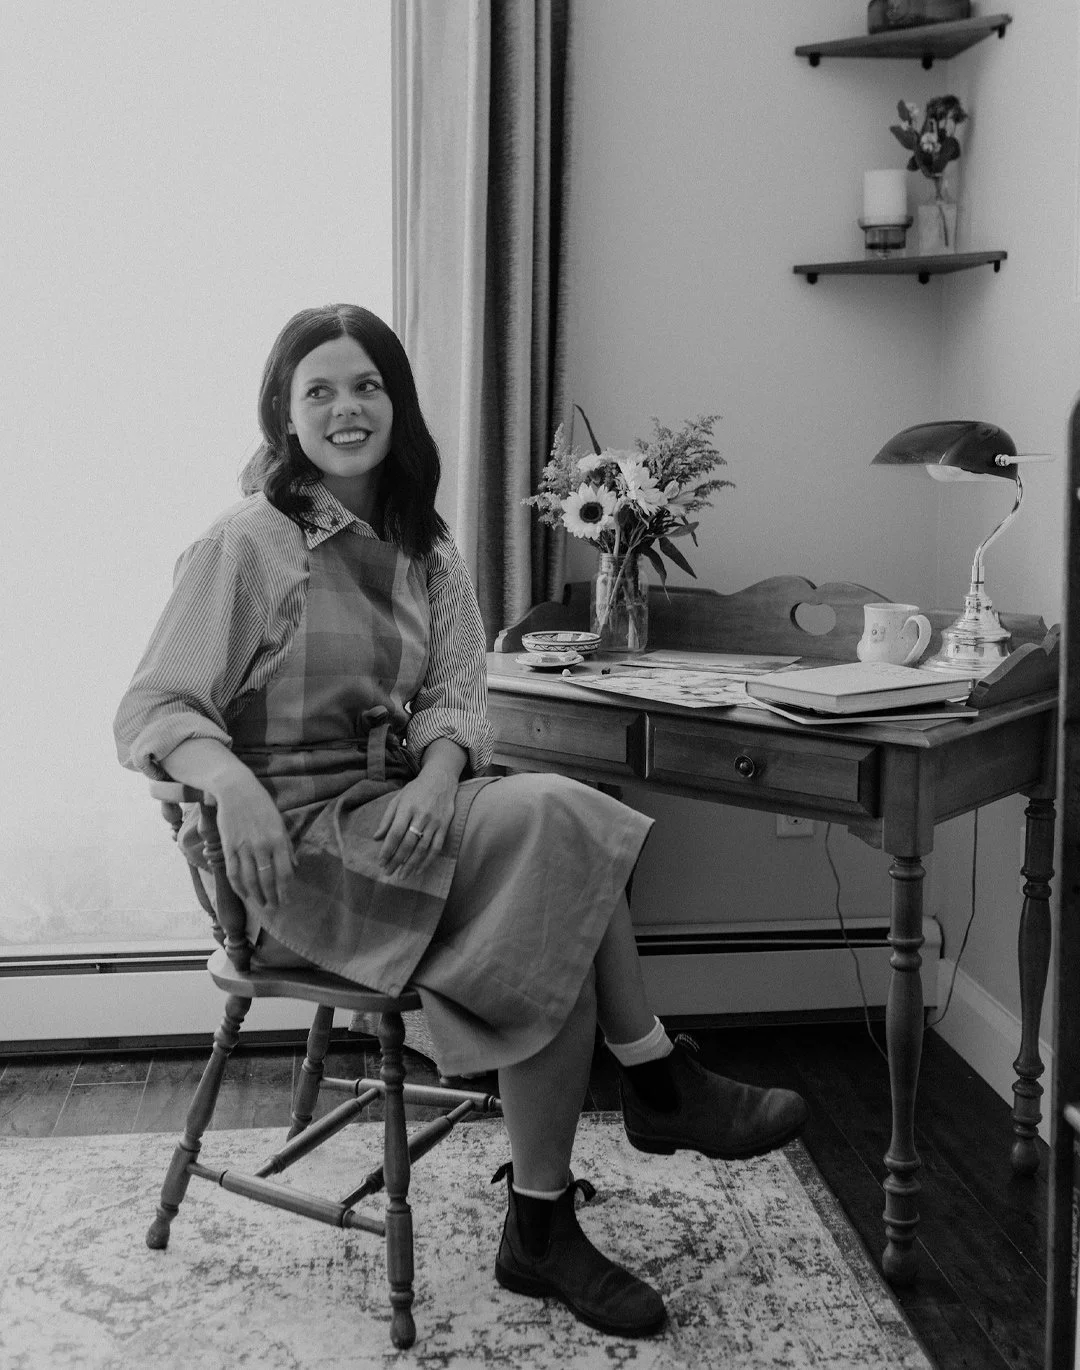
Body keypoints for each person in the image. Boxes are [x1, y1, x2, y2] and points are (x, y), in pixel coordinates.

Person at [114, 303, 809, 1338]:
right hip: (291, 856)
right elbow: (153, 708)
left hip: (394, 812)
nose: (347, 408)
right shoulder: (246, 543)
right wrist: (231, 783)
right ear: (285, 415)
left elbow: (457, 696)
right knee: (564, 829)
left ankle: (553, 1213)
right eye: (319, 391)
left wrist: (441, 773)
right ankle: (643, 1090)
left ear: (398, 402)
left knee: (562, 855)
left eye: (368, 385)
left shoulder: (426, 549)